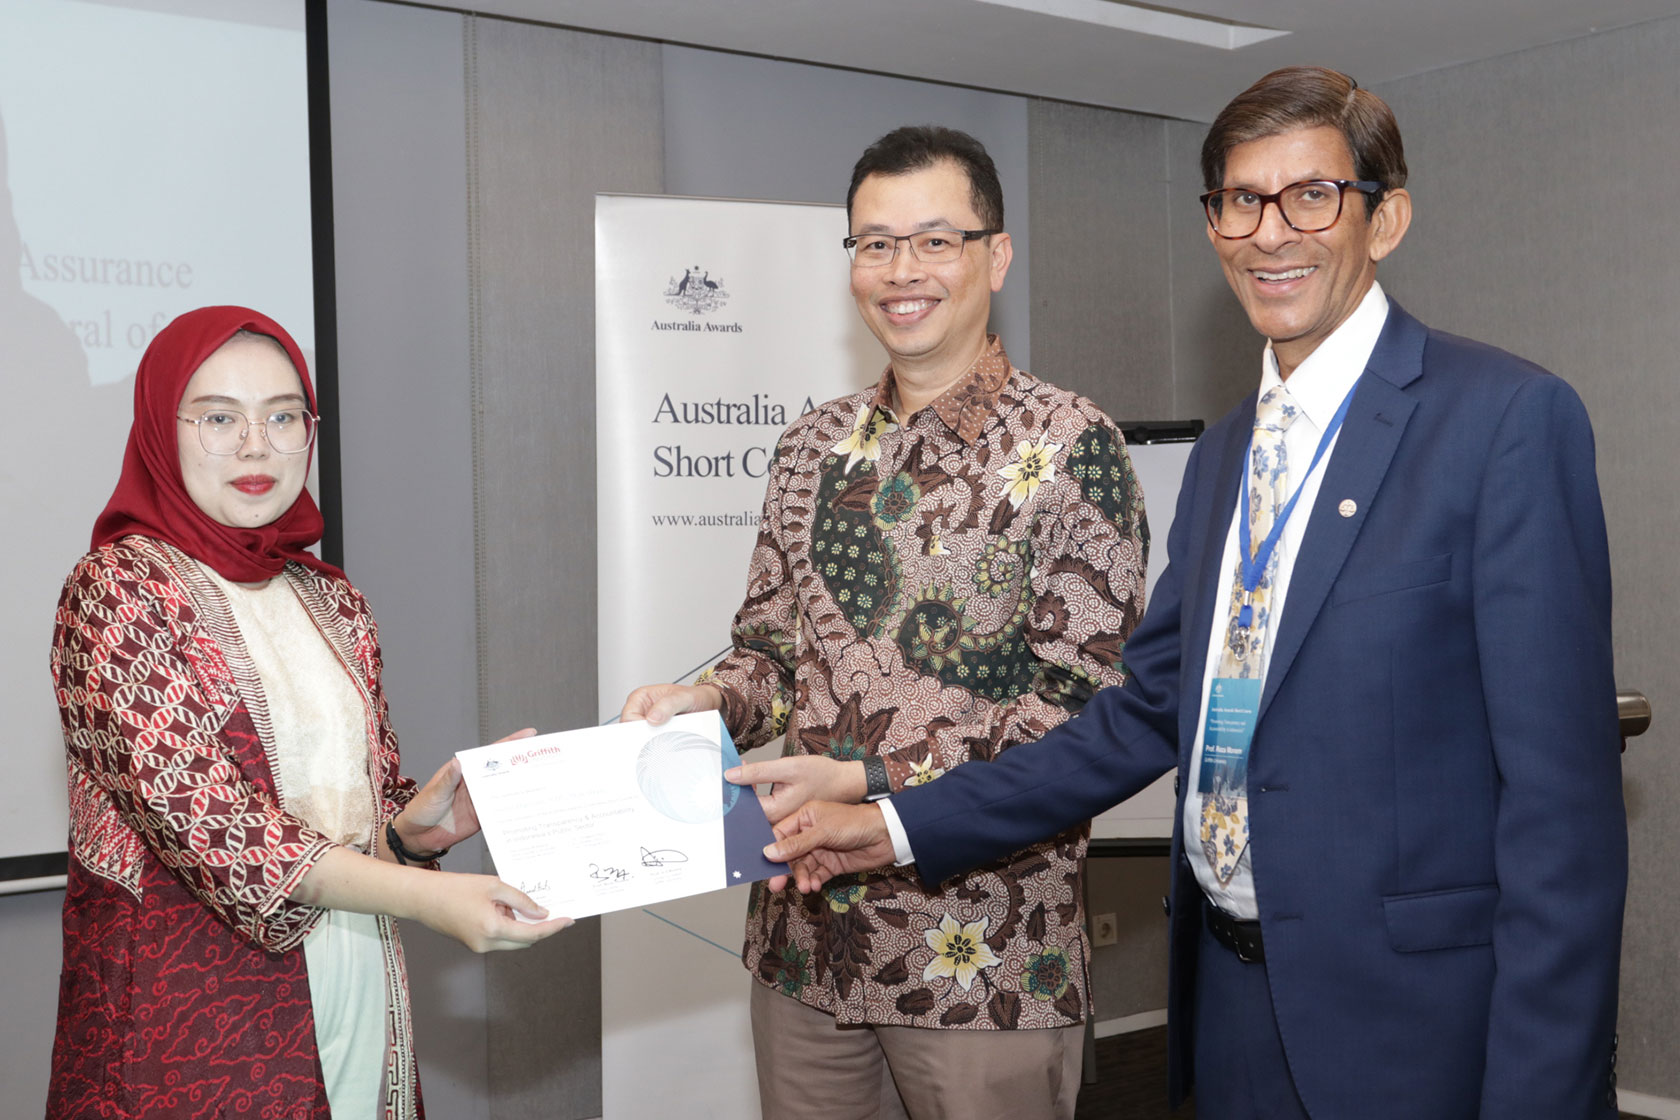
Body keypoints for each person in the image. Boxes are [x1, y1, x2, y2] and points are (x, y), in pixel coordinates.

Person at [760, 68, 1627, 1120]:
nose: (1271, 233)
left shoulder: (1503, 423)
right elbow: (1134, 718)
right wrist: (894, 827)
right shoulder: (1224, 458)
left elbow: (1562, 818)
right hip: (1229, 1000)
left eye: (1312, 196)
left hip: (1411, 1019)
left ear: (1384, 218)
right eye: (1238, 201)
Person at [621, 126, 1147, 1119]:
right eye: (875, 243)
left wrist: (872, 778)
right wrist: (702, 700)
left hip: (984, 960)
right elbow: (772, 655)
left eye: (935, 240)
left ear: (995, 254)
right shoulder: (812, 445)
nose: (902, 271)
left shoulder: (1073, 447)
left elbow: (1089, 716)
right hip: (806, 948)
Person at [47, 306, 571, 1120]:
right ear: (162, 428)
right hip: (188, 1006)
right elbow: (217, 830)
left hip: (354, 976)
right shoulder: (118, 591)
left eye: (284, 417)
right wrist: (435, 902)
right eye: (220, 418)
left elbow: (341, 807)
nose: (257, 446)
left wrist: (408, 831)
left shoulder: (332, 600)